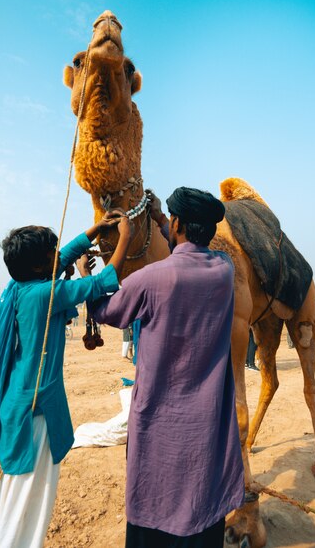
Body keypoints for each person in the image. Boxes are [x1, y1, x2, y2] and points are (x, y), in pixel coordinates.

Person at [0, 213, 133, 548]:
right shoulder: (44, 295)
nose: (60, 256)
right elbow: (104, 280)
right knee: (28, 500)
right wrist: (125, 236)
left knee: (21, 499)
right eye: (53, 252)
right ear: (41, 267)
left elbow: (60, 259)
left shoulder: (20, 286)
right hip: (33, 415)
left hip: (24, 406)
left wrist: (93, 232)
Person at [87, 187, 244, 548]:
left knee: (155, 500)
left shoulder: (151, 278)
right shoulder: (224, 269)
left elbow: (105, 311)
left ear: (176, 223)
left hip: (160, 422)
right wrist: (161, 219)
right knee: (203, 498)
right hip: (207, 425)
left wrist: (106, 260)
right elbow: (185, 252)